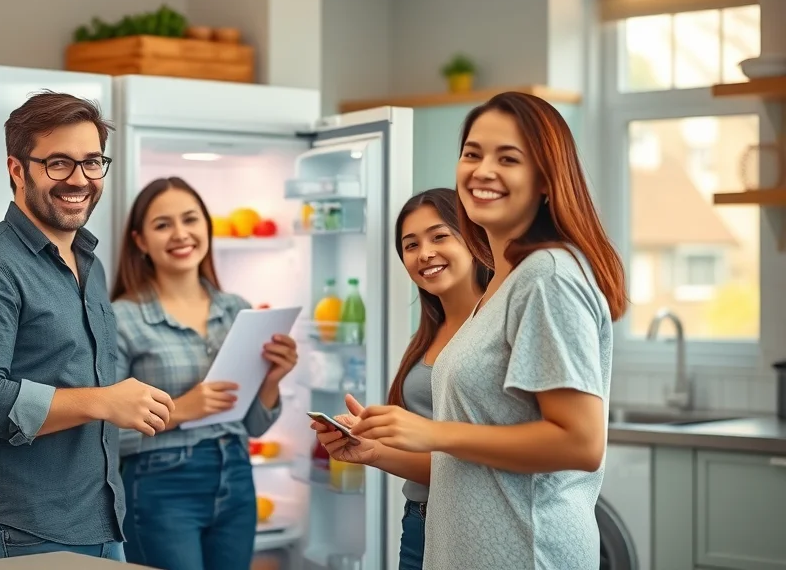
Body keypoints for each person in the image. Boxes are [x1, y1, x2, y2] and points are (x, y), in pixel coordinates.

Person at [350, 91, 626, 569]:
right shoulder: (505, 281)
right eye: (472, 154)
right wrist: (379, 448)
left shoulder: (548, 277)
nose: (482, 170)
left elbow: (580, 442)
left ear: (545, 180)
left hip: (525, 550)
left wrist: (435, 432)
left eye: (508, 158)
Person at [0, 91, 175, 562]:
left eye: (91, 162)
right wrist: (104, 401)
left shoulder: (89, 262)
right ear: (17, 170)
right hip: (29, 528)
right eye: (58, 163)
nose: (79, 179)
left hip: (101, 517)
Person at [109, 177, 298, 570]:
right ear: (140, 241)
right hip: (161, 485)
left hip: (237, 476)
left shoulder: (237, 310)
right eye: (162, 225)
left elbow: (254, 426)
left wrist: (272, 380)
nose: (180, 234)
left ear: (206, 228)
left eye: (190, 220)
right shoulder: (122, 318)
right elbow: (102, 433)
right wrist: (179, 410)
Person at [310, 188, 489, 570]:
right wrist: (368, 447)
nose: (424, 253)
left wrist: (380, 450)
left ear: (474, 239)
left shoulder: (492, 331)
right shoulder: (427, 335)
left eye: (440, 236)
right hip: (419, 519)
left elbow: (477, 468)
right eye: (410, 245)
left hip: (475, 525)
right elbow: (437, 464)